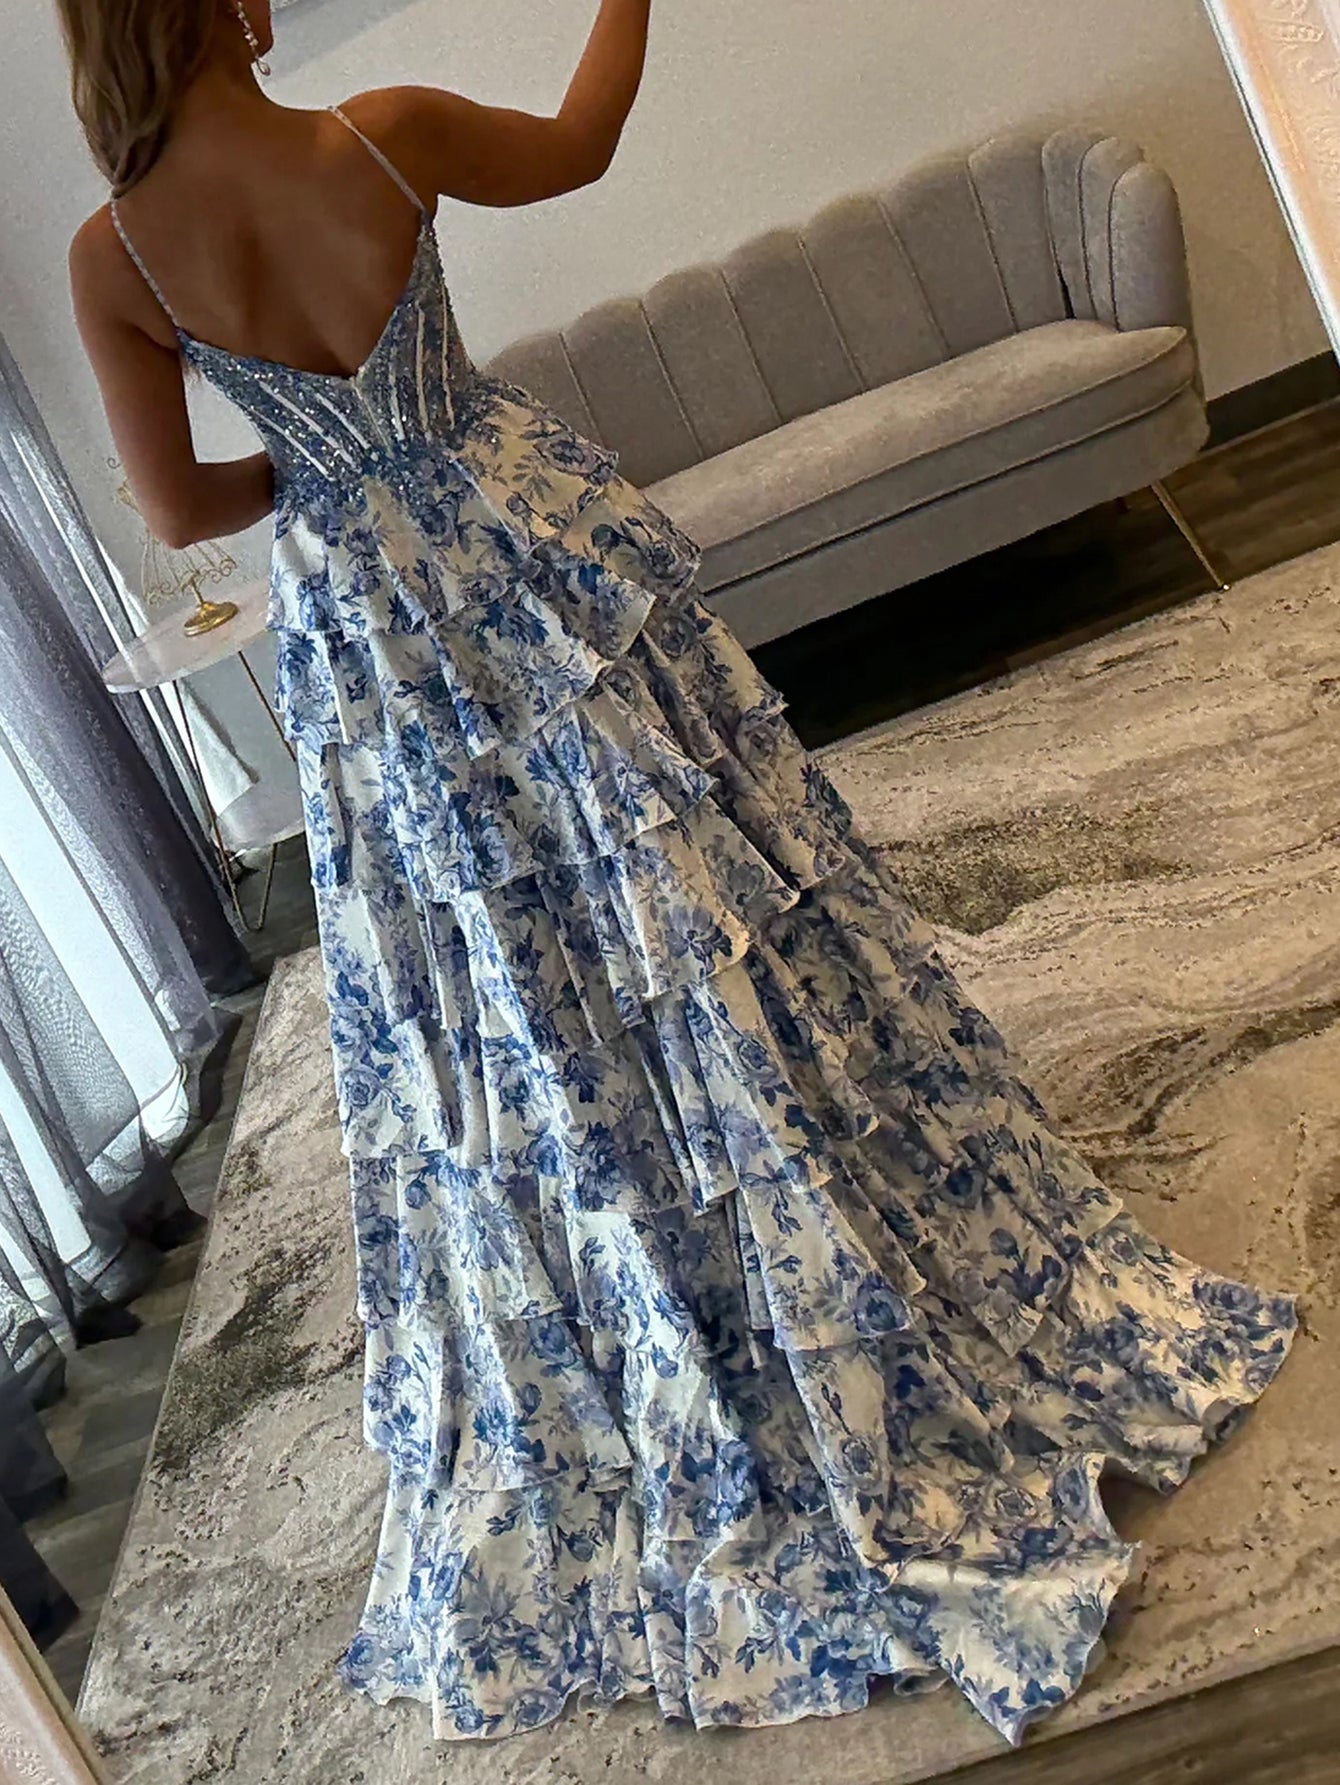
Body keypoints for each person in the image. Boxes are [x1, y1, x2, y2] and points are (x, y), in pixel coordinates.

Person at [61, 0, 1298, 1747]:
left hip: (386, 635)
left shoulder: (111, 257)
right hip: (524, 549)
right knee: (694, 883)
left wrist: (332, 461)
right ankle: (807, 1174)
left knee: (506, 977)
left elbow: (186, 510)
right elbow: (583, 144)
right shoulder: (382, 133)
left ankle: (653, 1283)